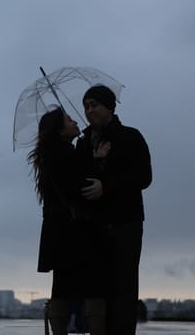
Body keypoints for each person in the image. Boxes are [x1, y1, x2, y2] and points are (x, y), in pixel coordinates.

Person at [75, 84, 152, 335]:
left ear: (109, 106)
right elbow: (81, 182)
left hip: (125, 222)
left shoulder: (131, 137)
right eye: (86, 106)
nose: (88, 110)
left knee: (124, 288)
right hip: (95, 225)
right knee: (100, 288)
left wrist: (106, 186)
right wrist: (97, 164)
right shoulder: (83, 143)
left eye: (94, 104)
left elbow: (144, 177)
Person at [30, 106, 110, 335]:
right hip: (75, 231)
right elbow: (80, 189)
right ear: (60, 130)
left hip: (60, 232)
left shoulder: (54, 154)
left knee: (62, 287)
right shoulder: (63, 155)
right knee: (93, 286)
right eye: (68, 119)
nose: (75, 121)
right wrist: (98, 161)